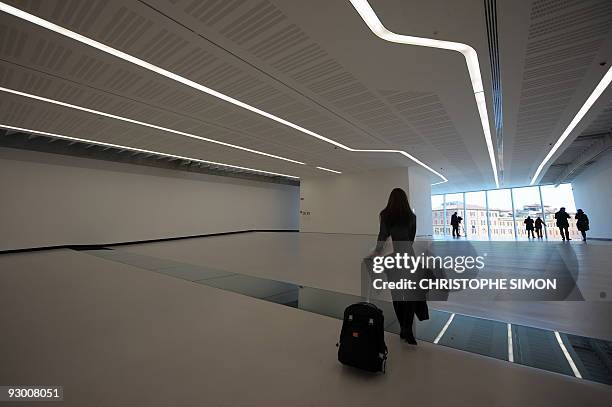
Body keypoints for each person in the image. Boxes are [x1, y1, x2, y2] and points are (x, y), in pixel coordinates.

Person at [370, 188, 427, 345]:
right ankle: (407, 330)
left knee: (396, 294)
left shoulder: (385, 215)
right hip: (408, 257)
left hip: (392, 260)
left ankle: (402, 327)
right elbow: (411, 239)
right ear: (405, 199)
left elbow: (382, 236)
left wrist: (377, 252)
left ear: (390, 199)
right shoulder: (411, 217)